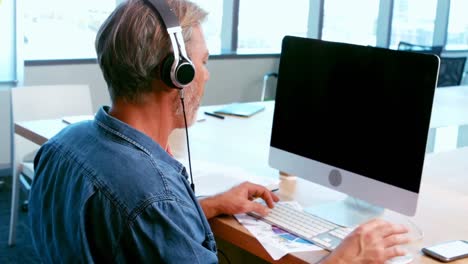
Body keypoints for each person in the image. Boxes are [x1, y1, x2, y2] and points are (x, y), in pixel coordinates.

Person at [29, 0, 410, 263]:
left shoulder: (62, 146)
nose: (206, 75)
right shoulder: (155, 199)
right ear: (176, 74)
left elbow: (121, 230)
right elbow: (144, 210)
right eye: (202, 63)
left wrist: (205, 206)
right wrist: (342, 260)